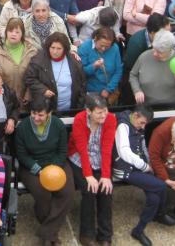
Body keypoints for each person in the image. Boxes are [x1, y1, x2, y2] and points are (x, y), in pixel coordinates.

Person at [14, 96, 74, 245]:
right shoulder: (22, 128)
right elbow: (21, 154)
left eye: (40, 114)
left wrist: (53, 167)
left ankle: (47, 233)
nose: (36, 117)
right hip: (31, 166)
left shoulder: (58, 125)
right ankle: (51, 235)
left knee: (67, 191)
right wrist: (38, 169)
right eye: (33, 113)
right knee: (43, 194)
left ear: (49, 113)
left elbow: (62, 151)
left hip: (56, 163)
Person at [113, 105, 175, 246]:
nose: (143, 127)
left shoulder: (139, 124)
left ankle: (138, 230)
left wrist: (149, 164)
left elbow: (143, 147)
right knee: (161, 185)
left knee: (154, 197)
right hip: (125, 170)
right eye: (141, 123)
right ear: (135, 115)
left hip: (138, 167)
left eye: (145, 124)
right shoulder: (122, 126)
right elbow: (124, 152)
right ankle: (160, 214)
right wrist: (145, 166)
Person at [67, 93, 116, 246]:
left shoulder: (110, 119)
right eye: (99, 112)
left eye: (105, 111)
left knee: (106, 190)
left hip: (100, 158)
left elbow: (107, 149)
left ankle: (105, 235)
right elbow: (82, 150)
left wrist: (106, 176)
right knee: (89, 189)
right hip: (79, 159)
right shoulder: (80, 120)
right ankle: (87, 235)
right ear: (89, 111)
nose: (104, 115)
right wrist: (88, 175)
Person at [25, 31, 85, 112]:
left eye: (59, 48)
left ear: (65, 49)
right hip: (47, 109)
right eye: (52, 48)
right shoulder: (38, 60)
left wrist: (79, 108)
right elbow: (29, 78)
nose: (55, 51)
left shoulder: (74, 62)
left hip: (71, 109)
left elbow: (82, 86)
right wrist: (43, 90)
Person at [129, 29, 175, 105]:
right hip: (145, 106)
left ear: (169, 50)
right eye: (154, 49)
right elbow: (133, 75)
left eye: (159, 52)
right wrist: (137, 90)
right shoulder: (144, 56)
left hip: (170, 105)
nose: (155, 54)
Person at [0, 18, 38, 112]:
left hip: (26, 103)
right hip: (3, 102)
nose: (13, 34)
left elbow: (36, 75)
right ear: (6, 32)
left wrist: (29, 93)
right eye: (10, 31)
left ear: (22, 34)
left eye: (17, 32)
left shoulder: (32, 51)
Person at [79, 28, 122, 102]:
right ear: (95, 38)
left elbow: (118, 71)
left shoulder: (114, 48)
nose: (103, 48)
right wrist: (94, 66)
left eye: (107, 46)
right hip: (91, 91)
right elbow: (81, 73)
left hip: (110, 90)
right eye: (101, 45)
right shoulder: (84, 47)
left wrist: (109, 89)